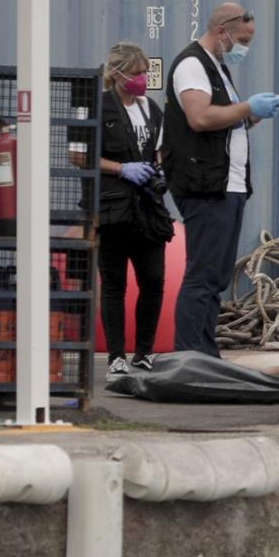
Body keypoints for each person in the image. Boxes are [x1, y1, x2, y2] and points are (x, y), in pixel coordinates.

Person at [163, 3, 279, 356]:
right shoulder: (192, 65)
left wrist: (252, 116)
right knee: (202, 274)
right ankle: (190, 353)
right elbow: (200, 118)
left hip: (228, 185)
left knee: (215, 276)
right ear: (222, 31)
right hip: (205, 185)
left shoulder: (216, 68)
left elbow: (223, 121)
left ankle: (205, 350)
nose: (242, 48)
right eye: (241, 41)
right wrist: (248, 107)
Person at [94, 42, 169, 375]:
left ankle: (144, 351)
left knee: (153, 280)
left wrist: (159, 167)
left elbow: (162, 149)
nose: (142, 79)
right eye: (137, 72)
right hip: (113, 207)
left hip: (148, 207)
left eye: (144, 72)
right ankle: (115, 355)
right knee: (114, 283)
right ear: (118, 73)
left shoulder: (151, 109)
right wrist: (121, 168)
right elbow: (79, 156)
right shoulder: (99, 106)